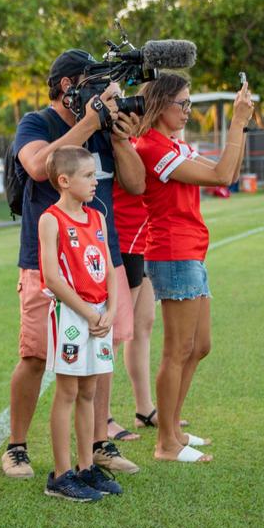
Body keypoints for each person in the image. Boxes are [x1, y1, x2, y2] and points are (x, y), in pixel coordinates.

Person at [4, 49, 145, 479]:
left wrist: (118, 135)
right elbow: (38, 165)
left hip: (102, 260)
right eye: (94, 84)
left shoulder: (102, 130)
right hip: (46, 262)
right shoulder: (36, 123)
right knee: (35, 356)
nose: (103, 93)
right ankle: (16, 447)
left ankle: (99, 443)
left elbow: (136, 184)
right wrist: (91, 120)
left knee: (102, 354)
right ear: (68, 86)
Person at [134, 73, 253, 463]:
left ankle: (175, 427)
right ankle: (166, 442)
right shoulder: (152, 147)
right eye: (181, 104)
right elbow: (221, 174)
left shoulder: (174, 143)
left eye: (189, 104)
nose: (187, 111)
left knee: (200, 346)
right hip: (172, 251)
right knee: (177, 350)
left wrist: (243, 124)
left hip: (191, 250)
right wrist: (235, 122)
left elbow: (228, 174)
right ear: (160, 105)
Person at [38, 146, 125, 501]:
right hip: (71, 315)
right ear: (64, 180)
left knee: (89, 391)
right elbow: (53, 277)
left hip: (99, 313)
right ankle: (60, 475)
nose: (95, 183)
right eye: (89, 176)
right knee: (68, 391)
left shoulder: (97, 218)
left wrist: (111, 310)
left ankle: (86, 466)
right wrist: (88, 313)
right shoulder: (51, 219)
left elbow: (108, 267)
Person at [112, 150, 158, 436]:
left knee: (144, 324)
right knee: (115, 333)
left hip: (144, 239)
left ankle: (145, 408)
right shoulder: (124, 138)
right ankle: (101, 420)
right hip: (124, 236)